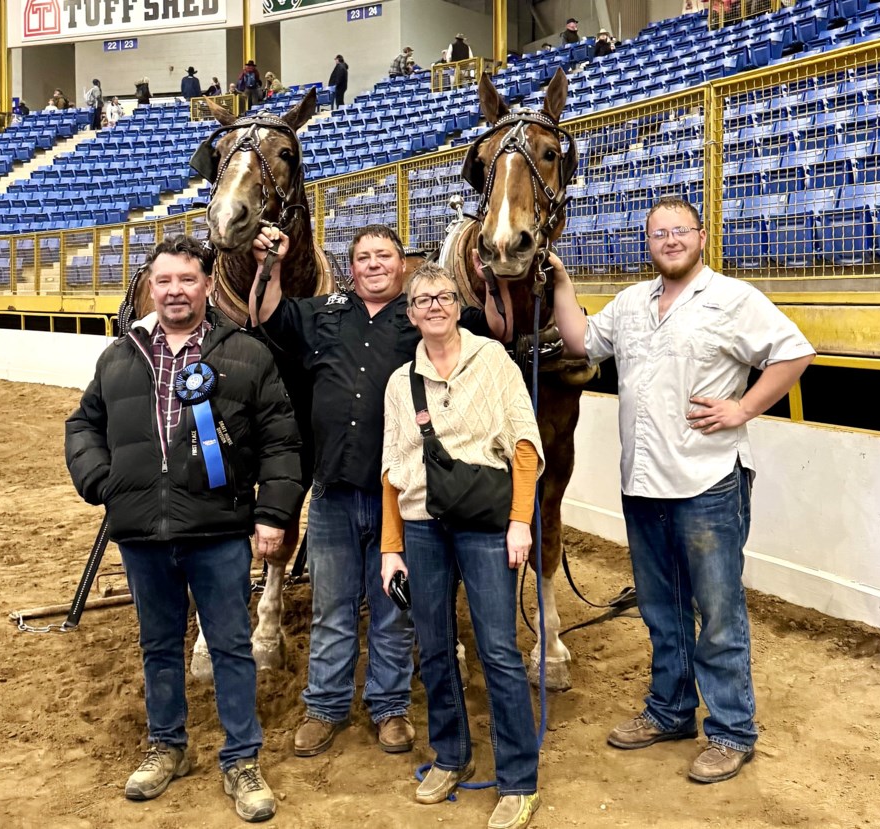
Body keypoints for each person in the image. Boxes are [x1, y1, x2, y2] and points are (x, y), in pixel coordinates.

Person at [550, 197, 816, 783]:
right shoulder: (631, 303)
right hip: (644, 482)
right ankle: (670, 710)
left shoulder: (731, 297)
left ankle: (731, 731)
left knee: (718, 613)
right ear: (648, 244)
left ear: (700, 237)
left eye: (679, 231)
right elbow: (580, 343)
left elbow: (795, 351)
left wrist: (743, 406)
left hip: (708, 479)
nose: (669, 240)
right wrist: (564, 282)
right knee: (661, 608)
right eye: (658, 234)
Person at [65, 235, 304, 823]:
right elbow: (83, 425)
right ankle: (167, 745)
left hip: (219, 530)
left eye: (187, 280)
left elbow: (280, 439)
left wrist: (273, 513)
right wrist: (103, 482)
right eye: (165, 280)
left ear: (205, 285)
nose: (176, 291)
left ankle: (241, 758)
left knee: (230, 648)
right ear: (152, 286)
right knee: (159, 648)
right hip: (143, 532)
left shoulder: (246, 354)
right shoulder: (121, 356)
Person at [247, 224, 501, 761]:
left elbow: (495, 327)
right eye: (363, 257)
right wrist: (269, 263)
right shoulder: (321, 314)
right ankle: (325, 706)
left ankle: (388, 709)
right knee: (332, 608)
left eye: (383, 255)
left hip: (401, 496)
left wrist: (490, 277)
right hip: (334, 491)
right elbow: (268, 312)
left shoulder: (424, 320)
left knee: (392, 612)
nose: (373, 265)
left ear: (401, 264)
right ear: (351, 266)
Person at [380, 262, 543, 829]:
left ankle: (519, 779)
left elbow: (524, 442)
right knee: (434, 642)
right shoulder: (401, 383)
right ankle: (451, 755)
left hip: (484, 524)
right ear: (411, 312)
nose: (434, 306)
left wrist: (520, 521)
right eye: (422, 299)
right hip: (422, 525)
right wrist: (390, 547)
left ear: (457, 304)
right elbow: (392, 471)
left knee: (498, 647)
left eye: (444, 296)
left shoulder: (493, 361)